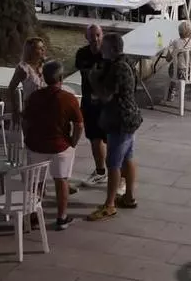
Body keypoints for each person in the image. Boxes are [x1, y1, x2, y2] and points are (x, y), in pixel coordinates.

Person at [86, 34, 142, 222]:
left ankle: (109, 205)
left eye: (103, 46)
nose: (100, 49)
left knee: (113, 164)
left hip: (119, 120)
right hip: (131, 116)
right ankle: (129, 197)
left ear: (111, 48)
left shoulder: (117, 68)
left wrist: (93, 79)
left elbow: (106, 95)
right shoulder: (127, 61)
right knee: (128, 158)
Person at [23, 60, 84, 230]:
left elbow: (25, 120)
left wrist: (27, 137)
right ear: (61, 78)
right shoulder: (68, 98)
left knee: (36, 182)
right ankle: (61, 217)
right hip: (59, 145)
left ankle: (33, 216)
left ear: (43, 77)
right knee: (61, 179)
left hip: (36, 144)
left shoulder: (34, 97)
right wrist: (73, 142)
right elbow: (79, 124)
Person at [75, 25, 110, 188]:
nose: (95, 39)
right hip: (89, 103)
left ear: (102, 35)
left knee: (111, 140)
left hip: (107, 104)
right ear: (86, 37)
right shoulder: (82, 54)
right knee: (94, 139)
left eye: (97, 35)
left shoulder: (108, 55)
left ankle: (120, 176)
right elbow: (85, 73)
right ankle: (100, 172)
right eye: (91, 36)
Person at [7, 37, 48, 127]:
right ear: (30, 51)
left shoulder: (46, 65)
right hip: (31, 110)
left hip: (47, 109)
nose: (43, 50)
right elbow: (11, 89)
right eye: (39, 48)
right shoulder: (23, 69)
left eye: (43, 47)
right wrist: (15, 110)